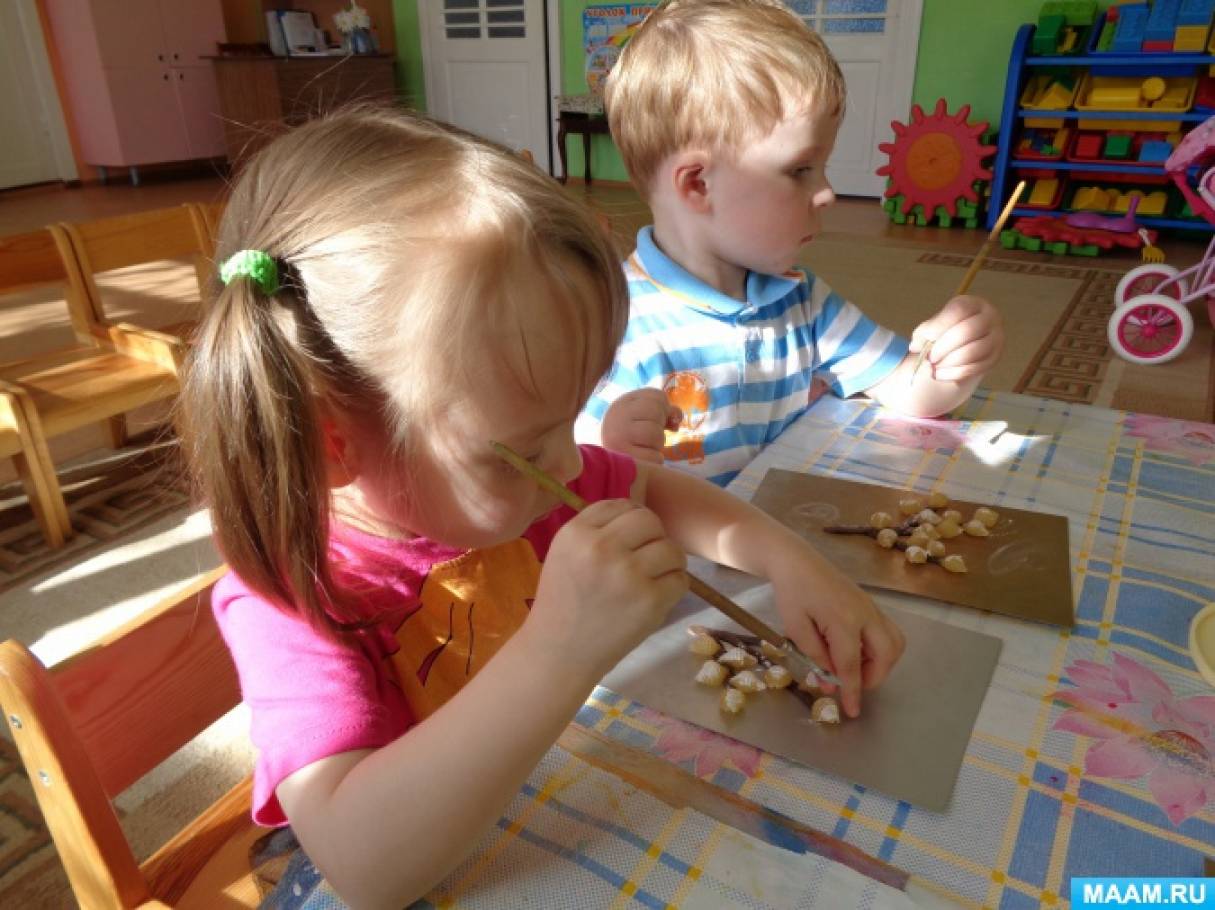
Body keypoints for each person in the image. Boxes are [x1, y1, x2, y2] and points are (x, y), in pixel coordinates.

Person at [177, 107, 904, 909]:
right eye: (525, 445)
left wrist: (787, 561)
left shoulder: (528, 487)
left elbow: (652, 488)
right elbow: (364, 866)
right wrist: (559, 649)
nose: (572, 460)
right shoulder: (294, 598)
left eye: (575, 412)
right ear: (333, 442)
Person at [577, 0, 1006, 486]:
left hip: (786, 540)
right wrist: (613, 452)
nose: (826, 193)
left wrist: (957, 361)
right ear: (698, 185)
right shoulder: (615, 323)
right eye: (800, 169)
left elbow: (911, 391)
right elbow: (568, 482)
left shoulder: (801, 299)